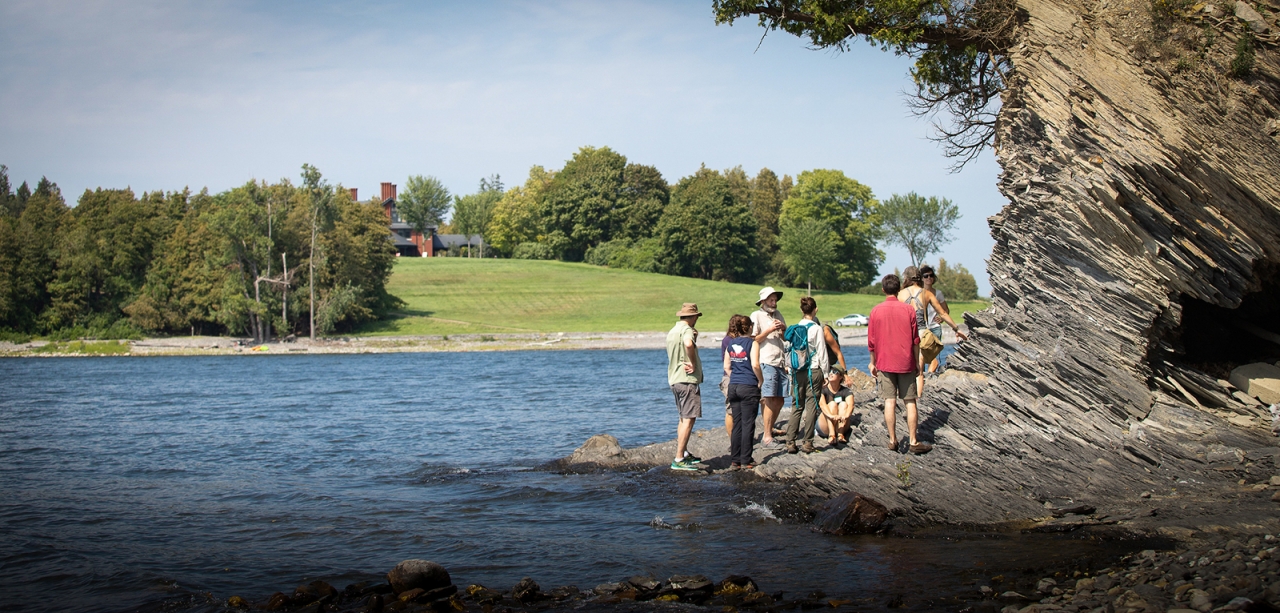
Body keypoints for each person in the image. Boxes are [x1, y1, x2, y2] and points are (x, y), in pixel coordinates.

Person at [870, 274, 930, 454]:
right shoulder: (909, 310)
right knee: (910, 401)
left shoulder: (876, 311)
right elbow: (915, 339)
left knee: (890, 401)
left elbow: (872, 341)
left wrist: (872, 363)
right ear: (899, 290)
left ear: (883, 290)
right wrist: (918, 362)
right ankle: (913, 441)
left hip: (885, 363)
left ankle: (892, 440)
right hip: (906, 361)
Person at [898, 266, 966, 400]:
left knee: (906, 368)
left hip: (904, 333)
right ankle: (917, 400)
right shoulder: (927, 294)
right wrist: (956, 329)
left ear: (906, 278)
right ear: (919, 277)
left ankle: (905, 397)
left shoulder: (900, 294)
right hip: (922, 333)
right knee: (920, 370)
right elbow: (943, 313)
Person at [784, 296, 830, 454]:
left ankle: (790, 441)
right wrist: (827, 373)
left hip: (797, 372)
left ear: (801, 311)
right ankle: (807, 442)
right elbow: (822, 352)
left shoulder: (795, 328)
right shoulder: (816, 328)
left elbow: (788, 352)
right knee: (812, 406)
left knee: (797, 406)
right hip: (814, 370)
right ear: (815, 310)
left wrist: (790, 371)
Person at [666, 302, 705, 471]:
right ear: (692, 317)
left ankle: (685, 452)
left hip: (674, 379)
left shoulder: (672, 331)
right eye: (696, 316)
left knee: (683, 417)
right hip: (687, 379)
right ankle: (679, 458)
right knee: (689, 418)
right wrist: (693, 363)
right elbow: (688, 344)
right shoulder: (687, 330)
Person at [722, 314, 763, 469]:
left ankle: (735, 459)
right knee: (748, 423)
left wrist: (736, 376)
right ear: (750, 327)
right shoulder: (753, 343)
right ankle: (746, 459)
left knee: (737, 422)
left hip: (733, 386)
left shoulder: (730, 344)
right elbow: (756, 365)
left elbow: (726, 367)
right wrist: (760, 380)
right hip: (749, 385)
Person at [749, 287, 787, 449]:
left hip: (781, 361)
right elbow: (753, 339)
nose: (774, 303)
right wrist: (769, 330)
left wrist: (783, 329)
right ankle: (767, 437)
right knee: (769, 398)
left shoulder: (778, 315)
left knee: (781, 398)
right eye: (771, 300)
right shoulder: (756, 316)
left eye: (775, 300)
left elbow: (785, 338)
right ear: (763, 302)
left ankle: (769, 428)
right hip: (766, 360)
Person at [919, 264, 949, 373]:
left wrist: (941, 318)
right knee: (921, 355)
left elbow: (946, 310)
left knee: (933, 357)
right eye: (926, 276)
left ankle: (929, 376)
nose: (929, 278)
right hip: (922, 328)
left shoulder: (938, 293)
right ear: (921, 278)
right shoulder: (918, 293)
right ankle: (921, 377)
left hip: (935, 327)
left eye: (931, 276)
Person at [817, 364, 854, 446]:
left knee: (843, 404)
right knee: (832, 404)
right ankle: (831, 434)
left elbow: (851, 405)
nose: (831, 373)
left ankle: (840, 435)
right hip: (825, 424)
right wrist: (831, 416)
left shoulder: (846, 391)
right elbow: (822, 405)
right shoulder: (823, 390)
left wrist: (846, 415)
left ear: (841, 377)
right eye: (829, 371)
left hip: (840, 425)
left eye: (834, 372)